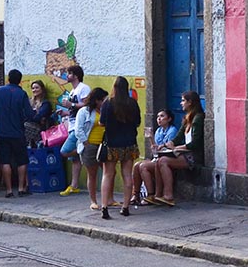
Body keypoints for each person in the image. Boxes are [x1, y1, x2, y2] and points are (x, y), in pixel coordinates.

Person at [0, 69, 36, 197]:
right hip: (18, 132)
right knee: (21, 160)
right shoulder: (22, 94)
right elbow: (30, 114)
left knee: (5, 160)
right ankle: (21, 188)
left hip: (2, 131)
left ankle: (9, 190)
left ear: (8, 79)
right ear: (19, 81)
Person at [99, 76, 141, 219]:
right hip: (129, 143)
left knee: (107, 174)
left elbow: (102, 123)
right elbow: (137, 122)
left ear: (115, 88)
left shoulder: (108, 103)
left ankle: (104, 207)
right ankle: (126, 207)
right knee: (127, 175)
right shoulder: (133, 103)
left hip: (111, 143)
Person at [154, 91, 204, 207]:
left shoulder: (197, 119)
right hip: (185, 153)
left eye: (183, 101)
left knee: (163, 161)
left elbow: (195, 143)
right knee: (158, 161)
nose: (181, 103)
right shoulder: (187, 118)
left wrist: (176, 147)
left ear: (190, 102)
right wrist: (167, 144)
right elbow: (178, 137)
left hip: (193, 155)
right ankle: (157, 194)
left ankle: (169, 195)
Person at [131, 108, 178, 205]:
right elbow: (155, 151)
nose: (159, 119)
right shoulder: (158, 131)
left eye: (162, 116)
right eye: (158, 117)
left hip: (167, 158)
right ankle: (135, 194)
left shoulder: (172, 130)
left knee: (143, 166)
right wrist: (151, 138)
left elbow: (165, 149)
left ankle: (151, 194)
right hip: (157, 158)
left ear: (169, 119)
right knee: (136, 165)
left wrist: (157, 147)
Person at [58, 65, 90, 196]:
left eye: (69, 73)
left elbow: (87, 105)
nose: (67, 76)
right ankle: (74, 185)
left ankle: (84, 149)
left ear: (75, 75)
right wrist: (66, 112)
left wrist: (71, 105)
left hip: (79, 127)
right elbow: (75, 109)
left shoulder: (84, 88)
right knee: (75, 160)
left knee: (64, 151)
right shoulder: (72, 91)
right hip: (71, 124)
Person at [75, 87, 108, 211]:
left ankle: (108, 199)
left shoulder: (104, 111)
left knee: (109, 172)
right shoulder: (84, 111)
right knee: (92, 174)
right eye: (102, 100)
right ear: (96, 100)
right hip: (90, 146)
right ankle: (93, 201)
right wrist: (85, 142)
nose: (105, 102)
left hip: (103, 145)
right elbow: (78, 129)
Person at [25, 79, 54, 147]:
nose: (34, 90)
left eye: (37, 87)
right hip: (28, 124)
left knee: (24, 127)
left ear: (42, 89)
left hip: (39, 129)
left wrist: (30, 115)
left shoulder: (45, 103)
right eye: (33, 88)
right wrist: (34, 113)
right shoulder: (29, 102)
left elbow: (38, 117)